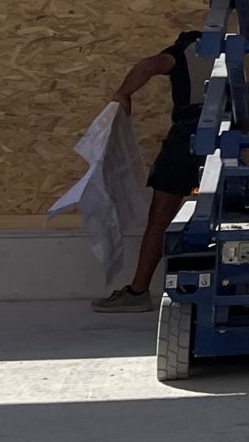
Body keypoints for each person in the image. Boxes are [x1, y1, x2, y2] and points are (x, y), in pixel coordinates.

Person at [89, 22, 215, 313]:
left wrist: (123, 93)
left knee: (160, 218)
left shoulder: (183, 52)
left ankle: (138, 291)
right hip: (224, 141)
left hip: (188, 140)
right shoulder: (229, 52)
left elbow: (148, 66)